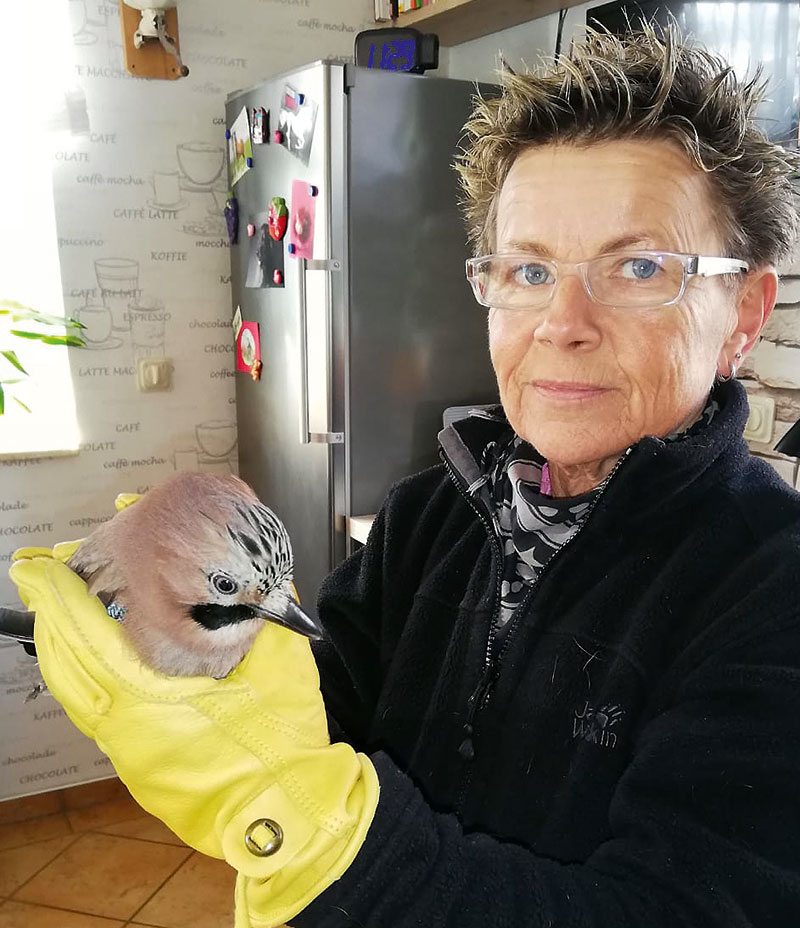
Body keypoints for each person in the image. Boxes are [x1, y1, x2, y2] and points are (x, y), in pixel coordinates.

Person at [10, 23, 800, 928]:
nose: (562, 322)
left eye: (639, 267)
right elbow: (325, 700)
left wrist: (314, 837)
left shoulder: (773, 592)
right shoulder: (431, 512)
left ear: (743, 311)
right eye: (530, 268)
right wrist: (193, 654)